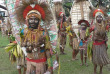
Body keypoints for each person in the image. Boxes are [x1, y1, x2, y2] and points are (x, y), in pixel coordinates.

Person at [16, 0, 54, 74]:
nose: (33, 21)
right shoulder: (23, 32)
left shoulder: (43, 33)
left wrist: (50, 67)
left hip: (41, 62)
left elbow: (47, 50)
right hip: (29, 62)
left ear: (39, 21)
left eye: (35, 19)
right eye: (31, 19)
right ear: (28, 20)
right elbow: (22, 45)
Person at [89, 7, 110, 74]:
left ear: (102, 18)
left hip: (103, 45)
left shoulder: (104, 26)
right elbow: (89, 34)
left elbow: (106, 35)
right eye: (98, 17)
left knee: (102, 59)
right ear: (95, 18)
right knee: (95, 58)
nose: (99, 18)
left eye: (100, 17)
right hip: (96, 45)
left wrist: (106, 39)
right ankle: (95, 71)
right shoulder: (93, 26)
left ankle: (101, 71)